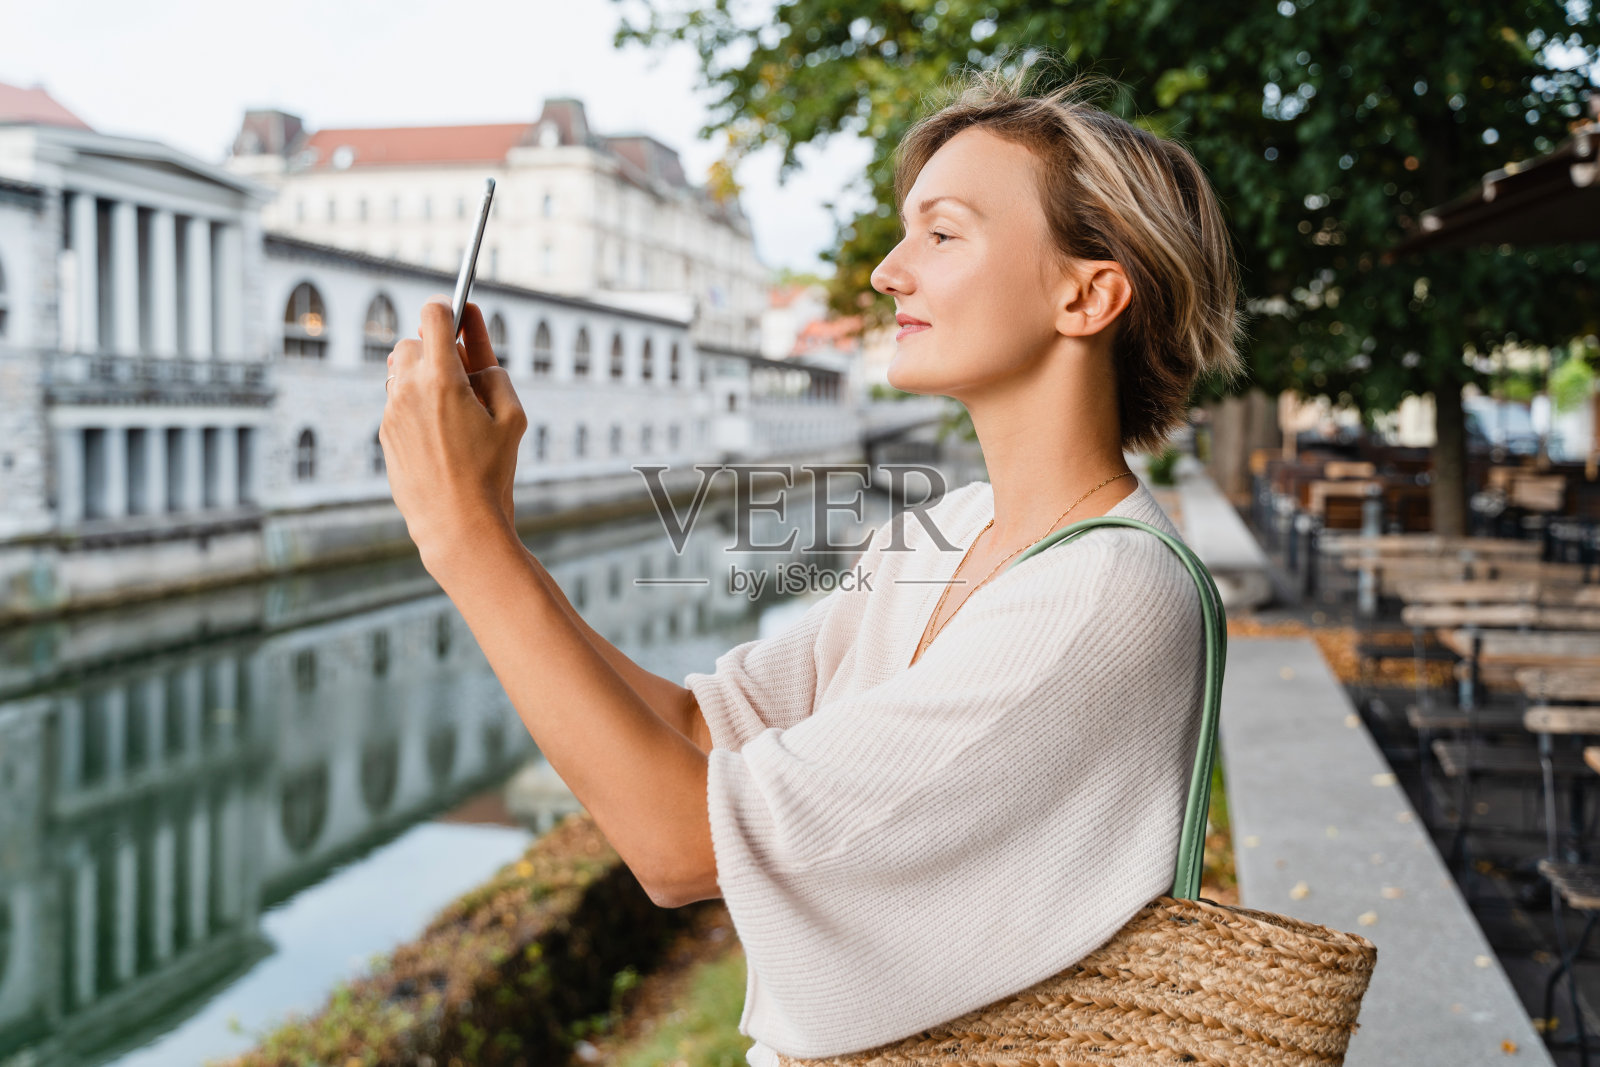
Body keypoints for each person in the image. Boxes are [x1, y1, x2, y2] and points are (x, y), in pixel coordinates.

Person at [377, 57, 1243, 1067]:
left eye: (942, 232)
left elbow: (681, 845)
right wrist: (489, 530)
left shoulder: (1105, 593)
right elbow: (699, 727)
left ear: (1087, 295)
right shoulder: (954, 525)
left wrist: (465, 542)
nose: (887, 270)